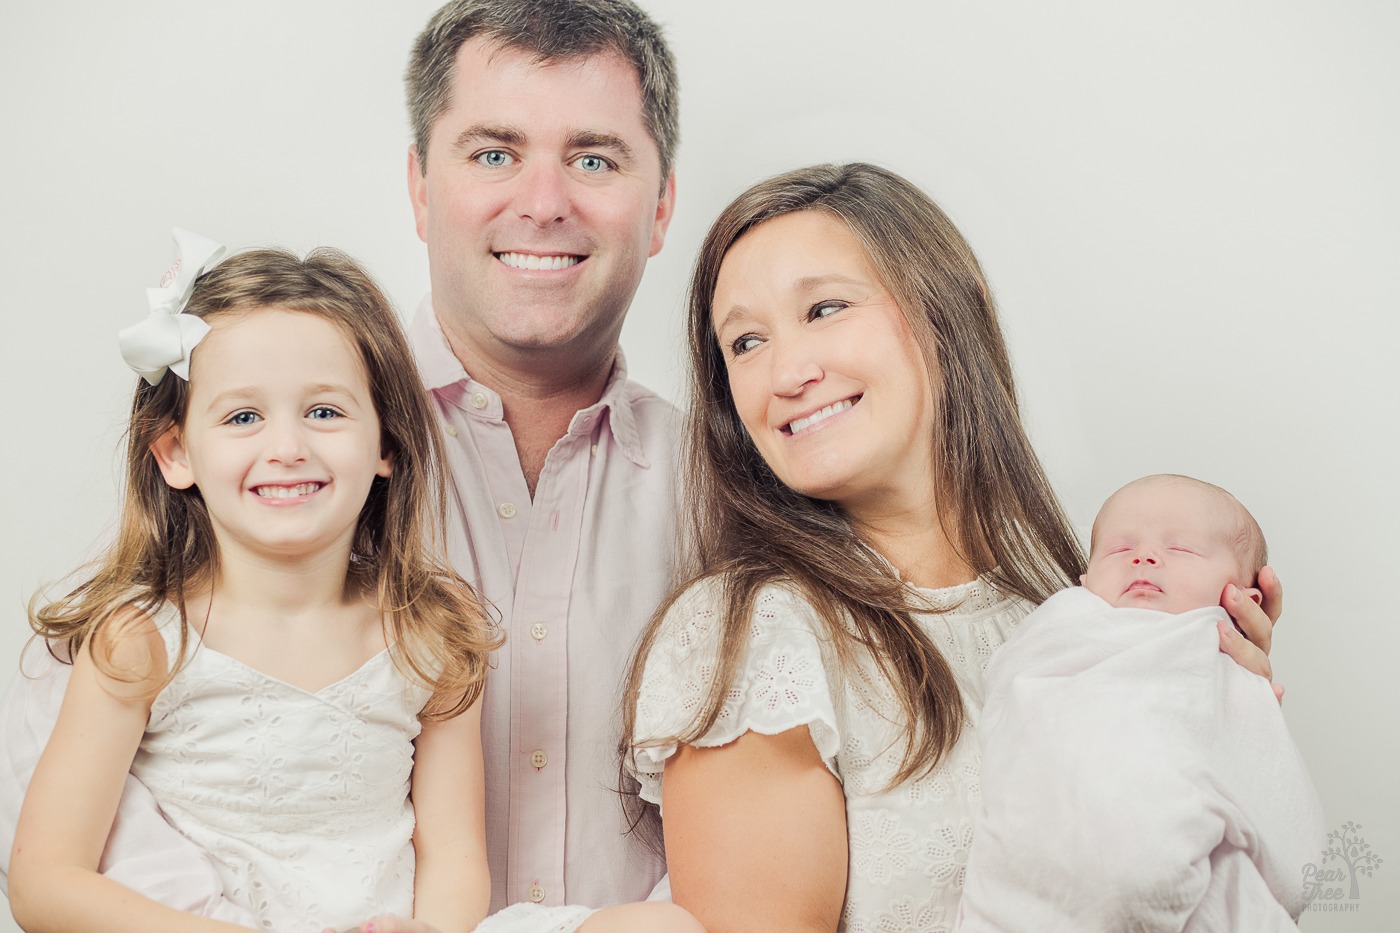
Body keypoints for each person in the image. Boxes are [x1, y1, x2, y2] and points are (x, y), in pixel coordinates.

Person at [1, 0, 682, 918]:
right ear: (419, 186)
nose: (544, 201)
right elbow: (56, 842)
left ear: (661, 205)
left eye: (593, 158)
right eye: (494, 153)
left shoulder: (726, 491)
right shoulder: (212, 546)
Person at [622, 163, 1282, 932]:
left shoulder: (1062, 615)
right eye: (745, 342)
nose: (787, 372)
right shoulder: (752, 640)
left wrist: (1225, 715)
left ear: (942, 312)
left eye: (825, 307)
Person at [7, 235, 499, 933]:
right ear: (177, 452)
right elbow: (44, 881)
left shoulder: (430, 633)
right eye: (244, 416)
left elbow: (453, 852)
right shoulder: (142, 641)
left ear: (386, 442)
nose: (288, 446)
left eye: (324, 411)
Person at [960, 473, 1324, 930]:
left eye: (1182, 548)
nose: (1143, 556)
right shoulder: (1062, 628)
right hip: (1055, 860)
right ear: (1085, 580)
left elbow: (1276, 804)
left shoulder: (1226, 665)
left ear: (1243, 600)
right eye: (1117, 549)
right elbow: (1015, 695)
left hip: (1179, 861)